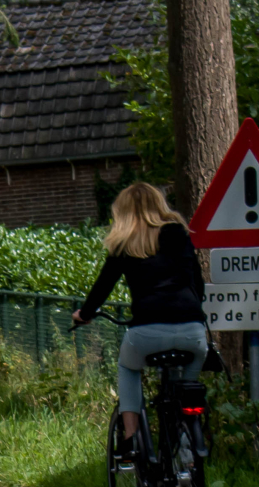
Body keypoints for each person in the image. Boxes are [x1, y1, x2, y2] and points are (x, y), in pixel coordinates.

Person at [73, 182, 209, 443]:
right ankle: (187, 443)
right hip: (192, 330)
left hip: (147, 332)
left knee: (128, 367)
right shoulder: (180, 234)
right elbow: (198, 283)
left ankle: (132, 439)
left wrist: (85, 314)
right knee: (187, 389)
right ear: (159, 204)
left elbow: (103, 287)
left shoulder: (124, 243)